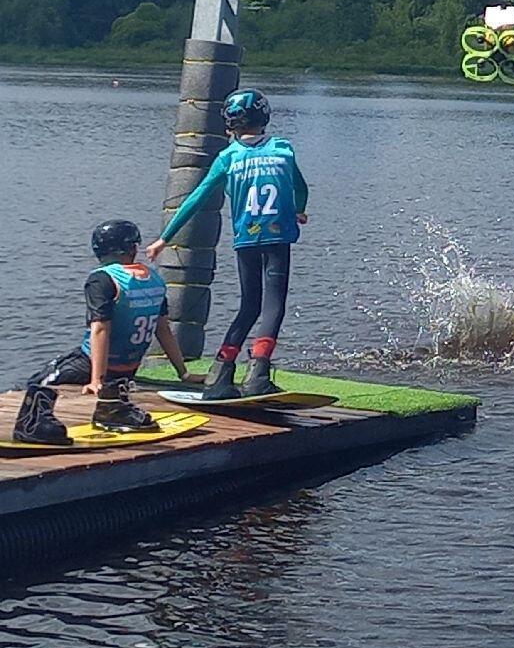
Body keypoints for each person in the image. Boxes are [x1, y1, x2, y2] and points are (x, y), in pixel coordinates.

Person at [145, 89, 307, 400]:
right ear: (264, 117)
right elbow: (300, 187)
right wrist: (298, 209)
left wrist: (165, 239)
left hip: (246, 238)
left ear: (229, 125)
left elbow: (197, 198)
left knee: (249, 305)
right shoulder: (283, 149)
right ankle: (258, 372)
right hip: (277, 237)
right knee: (273, 306)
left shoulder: (228, 157)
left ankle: (221, 371)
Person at [11, 220, 203, 445]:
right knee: (114, 379)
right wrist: (183, 372)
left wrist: (96, 379)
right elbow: (164, 331)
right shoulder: (155, 280)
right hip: (128, 368)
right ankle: (112, 409)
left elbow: (101, 328)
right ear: (133, 249)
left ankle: (31, 426)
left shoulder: (102, 279)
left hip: (97, 363)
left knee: (41, 380)